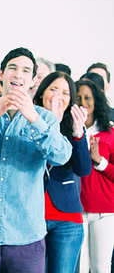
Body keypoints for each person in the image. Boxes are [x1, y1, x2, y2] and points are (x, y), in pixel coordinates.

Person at [0, 48, 72, 272]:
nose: (18, 74)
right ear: (1, 73)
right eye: (13, 68)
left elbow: (61, 156)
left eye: (26, 70)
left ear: (33, 79)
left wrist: (34, 119)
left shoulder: (44, 117)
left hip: (27, 238)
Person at [33, 72, 92, 272]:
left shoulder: (73, 127)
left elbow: (83, 169)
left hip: (67, 218)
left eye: (65, 92)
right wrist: (51, 123)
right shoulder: (28, 119)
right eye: (53, 89)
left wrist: (78, 132)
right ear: (42, 93)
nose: (59, 96)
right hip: (31, 216)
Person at [76, 79, 114, 273]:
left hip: (104, 212)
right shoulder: (70, 133)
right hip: (76, 212)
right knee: (79, 268)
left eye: (88, 97)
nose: (83, 101)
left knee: (100, 268)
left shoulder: (110, 134)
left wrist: (100, 162)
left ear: (96, 100)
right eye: (79, 97)